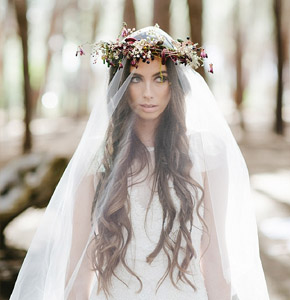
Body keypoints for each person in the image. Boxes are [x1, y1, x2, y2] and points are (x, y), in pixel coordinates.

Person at [10, 24, 269, 300]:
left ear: (175, 83)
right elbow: (79, 266)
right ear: (121, 84)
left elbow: (215, 257)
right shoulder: (95, 161)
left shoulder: (208, 154)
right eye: (135, 79)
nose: (148, 92)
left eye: (159, 78)